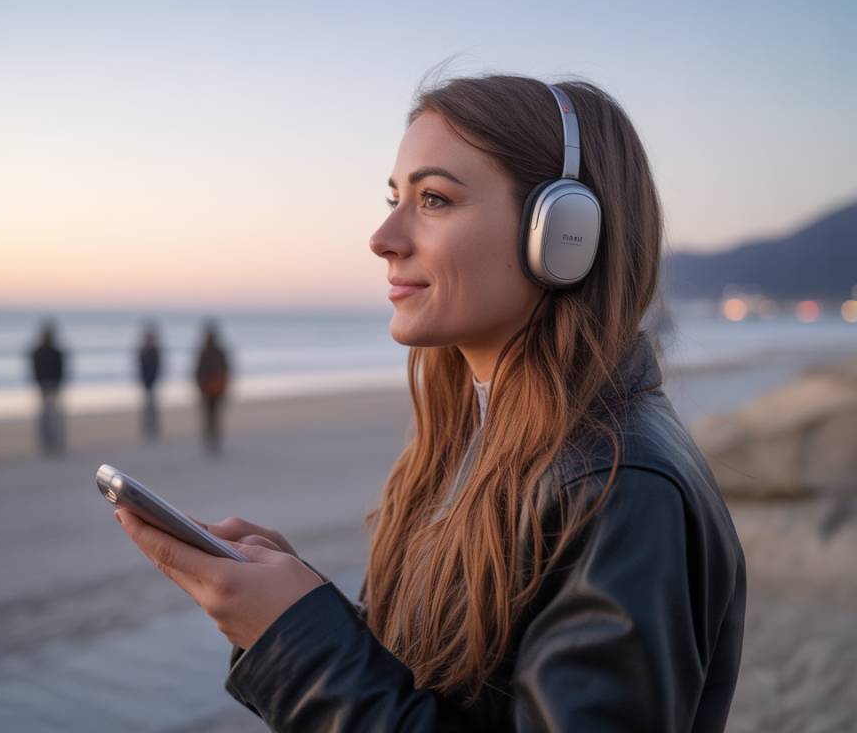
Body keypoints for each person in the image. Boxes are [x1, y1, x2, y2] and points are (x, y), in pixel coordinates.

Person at [113, 75, 747, 731]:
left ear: (564, 233)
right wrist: (302, 609)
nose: (383, 236)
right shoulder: (480, 439)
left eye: (435, 199)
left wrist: (299, 649)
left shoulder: (620, 489)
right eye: (395, 198)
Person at [193, 320, 231, 456]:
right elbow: (198, 372)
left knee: (212, 416)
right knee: (210, 416)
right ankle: (211, 440)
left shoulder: (211, 352)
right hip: (208, 389)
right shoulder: (208, 352)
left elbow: (225, 370)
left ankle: (213, 440)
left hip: (215, 389)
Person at [29, 320, 65, 455]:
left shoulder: (52, 351)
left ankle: (54, 442)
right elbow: (35, 370)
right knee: (49, 415)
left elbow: (61, 370)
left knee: (52, 415)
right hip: (46, 385)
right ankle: (48, 443)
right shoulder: (42, 351)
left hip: (50, 385)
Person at [137, 323, 163, 440]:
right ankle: (147, 426)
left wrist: (153, 379)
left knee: (152, 405)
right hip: (146, 381)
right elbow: (140, 366)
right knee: (147, 405)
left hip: (152, 381)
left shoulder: (154, 350)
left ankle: (153, 427)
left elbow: (157, 367)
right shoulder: (143, 350)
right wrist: (143, 379)